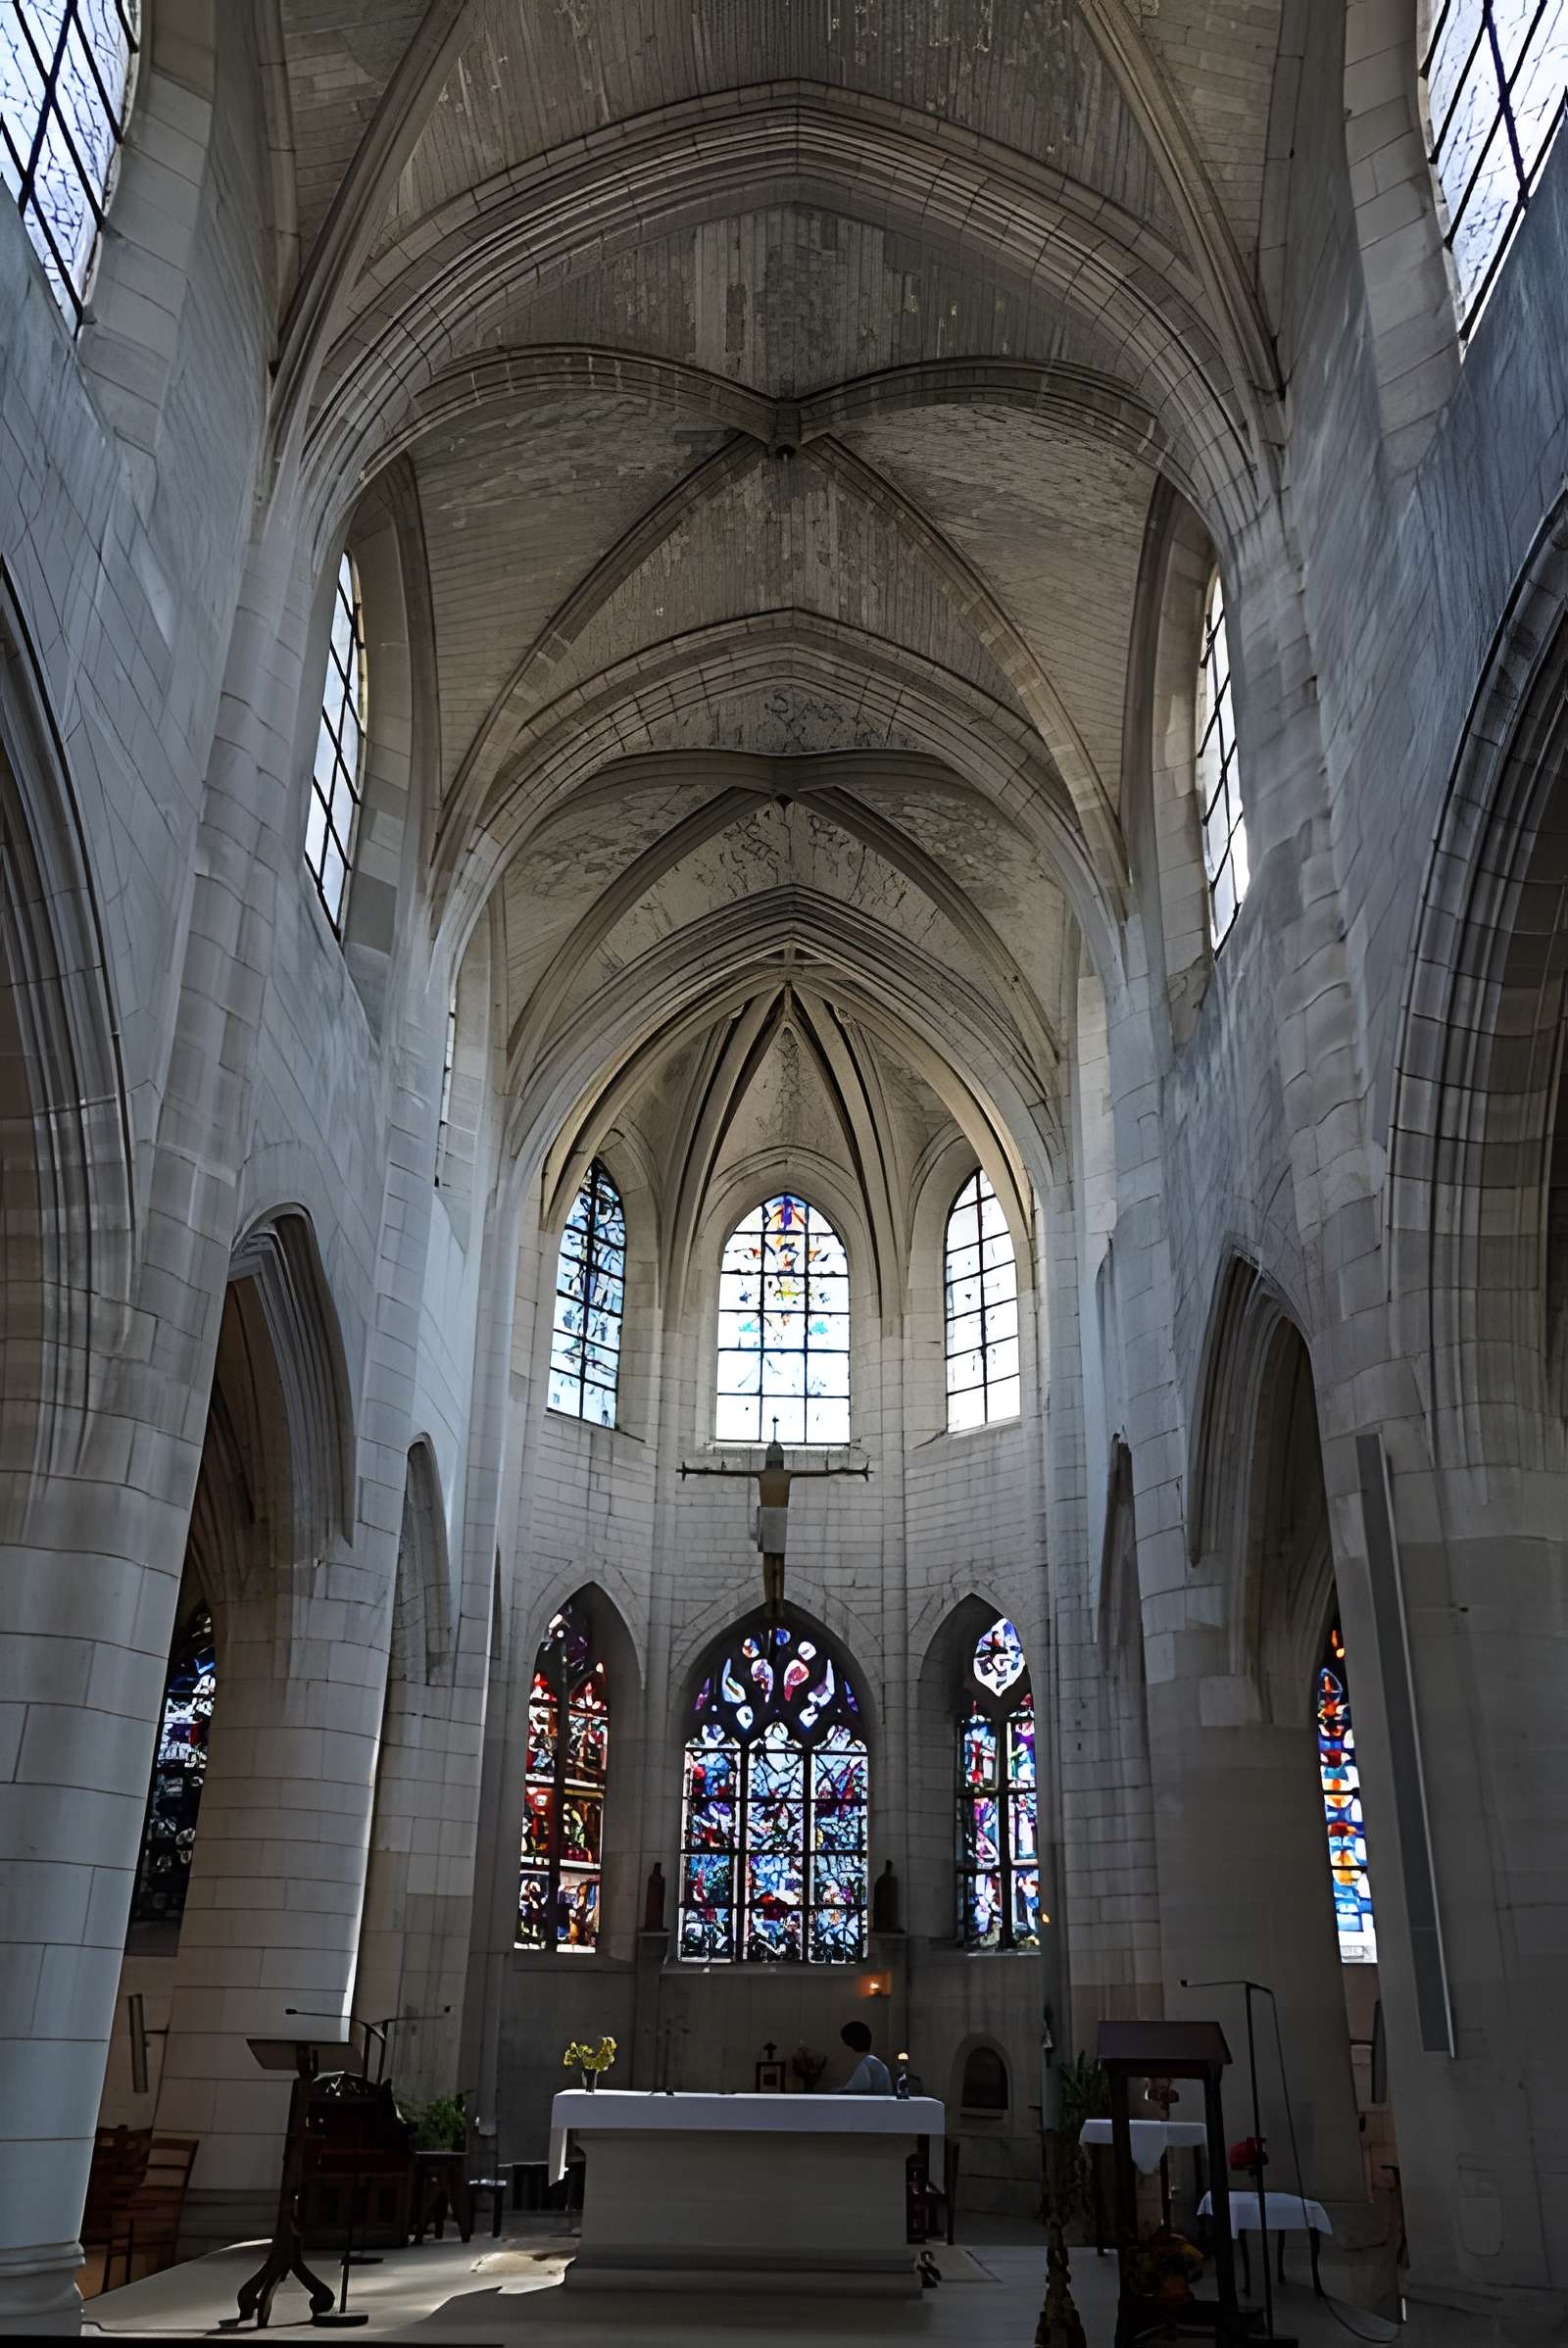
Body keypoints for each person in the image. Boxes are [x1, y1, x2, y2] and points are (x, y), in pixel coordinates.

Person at [834, 2019, 892, 2094]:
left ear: (849, 2044)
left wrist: (836, 2092)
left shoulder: (866, 2064)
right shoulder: (875, 2062)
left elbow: (856, 2092)